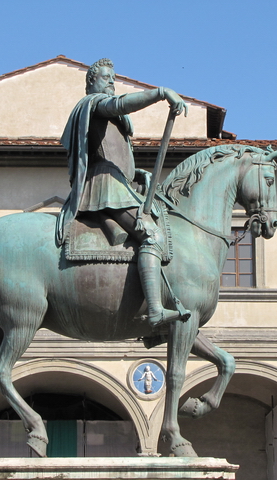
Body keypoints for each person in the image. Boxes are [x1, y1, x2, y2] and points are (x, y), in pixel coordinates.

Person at [57, 58, 190, 329]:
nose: (111, 83)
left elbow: (116, 154)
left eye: (113, 78)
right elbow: (119, 104)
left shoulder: (111, 117)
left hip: (120, 184)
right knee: (151, 235)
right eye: (106, 78)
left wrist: (135, 174)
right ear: (92, 81)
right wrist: (161, 92)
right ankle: (154, 310)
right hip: (106, 188)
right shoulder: (93, 104)